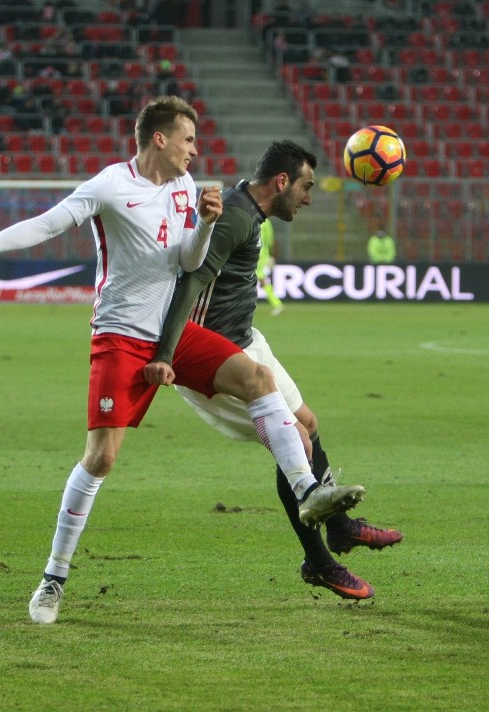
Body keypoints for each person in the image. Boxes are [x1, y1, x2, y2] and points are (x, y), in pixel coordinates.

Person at [0, 96, 365, 624]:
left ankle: (308, 491)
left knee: (257, 376)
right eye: (187, 140)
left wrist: (204, 223)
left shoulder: (185, 188)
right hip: (120, 335)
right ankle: (53, 577)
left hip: (173, 334)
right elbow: (48, 224)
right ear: (160, 138)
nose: (194, 151)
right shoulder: (110, 185)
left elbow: (187, 261)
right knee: (102, 457)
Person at [147, 141, 402, 601]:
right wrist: (166, 354)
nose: (308, 197)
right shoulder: (234, 216)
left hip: (247, 339)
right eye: (305, 186)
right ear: (281, 181)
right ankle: (320, 562)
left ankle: (340, 529)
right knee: (297, 444)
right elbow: (192, 281)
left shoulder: (249, 211)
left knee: (309, 423)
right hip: (216, 357)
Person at [256, 218, 284, 316]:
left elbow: (269, 238)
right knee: (259, 277)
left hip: (261, 252)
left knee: (259, 276)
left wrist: (270, 254)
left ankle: (277, 303)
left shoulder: (265, 220)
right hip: (252, 250)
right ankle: (276, 303)